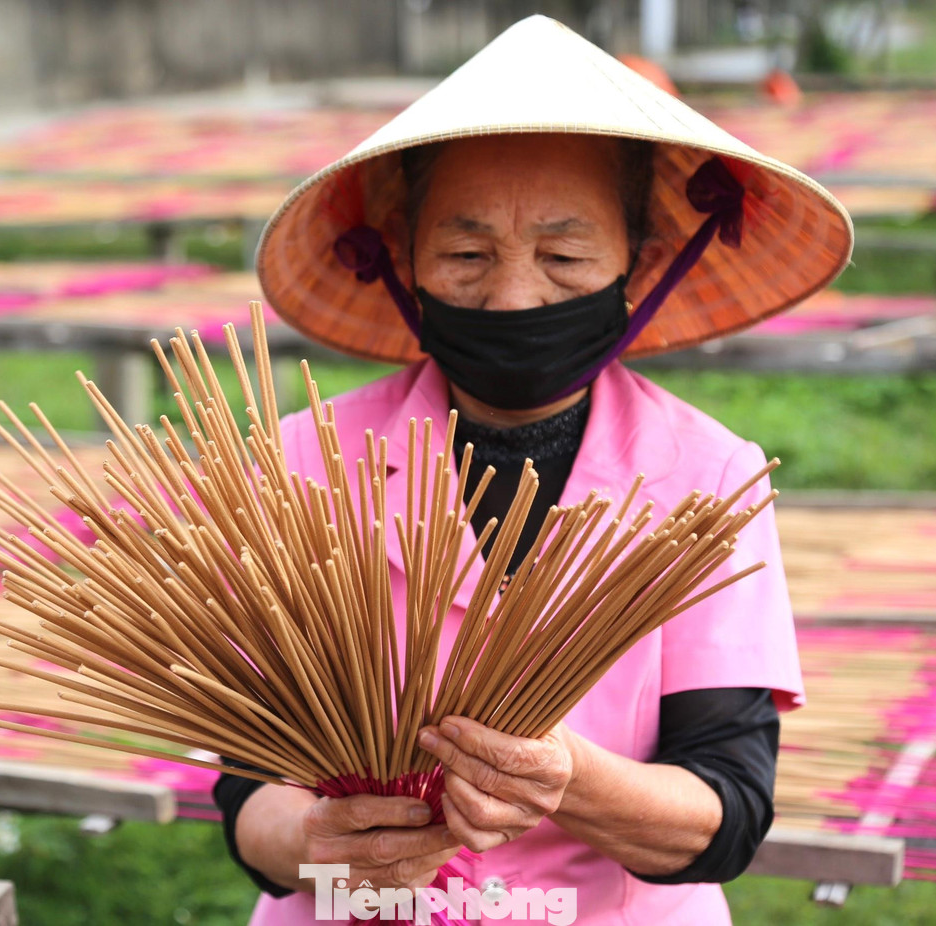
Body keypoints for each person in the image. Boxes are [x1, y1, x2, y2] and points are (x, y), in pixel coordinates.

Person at [215, 15, 853, 925]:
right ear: (401, 256)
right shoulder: (303, 463)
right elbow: (248, 791)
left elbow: (728, 810)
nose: (514, 296)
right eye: (468, 256)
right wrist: (319, 842)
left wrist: (573, 782)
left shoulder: (711, 481)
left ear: (640, 261)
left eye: (563, 256)